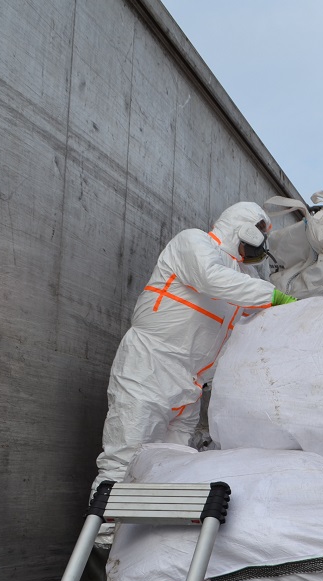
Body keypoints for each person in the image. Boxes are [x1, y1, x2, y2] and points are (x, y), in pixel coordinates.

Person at [93, 201, 297, 491]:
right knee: (124, 460)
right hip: (150, 365)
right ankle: (103, 535)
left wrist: (296, 315)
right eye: (259, 236)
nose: (259, 250)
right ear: (244, 230)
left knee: (171, 468)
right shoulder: (194, 242)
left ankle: (145, 536)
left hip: (190, 387)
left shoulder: (244, 279)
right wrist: (273, 296)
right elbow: (209, 278)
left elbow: (253, 320)